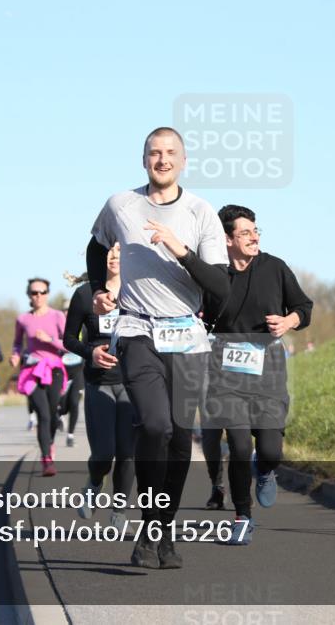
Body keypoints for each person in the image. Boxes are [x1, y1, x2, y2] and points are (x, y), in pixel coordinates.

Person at [87, 126, 230, 569]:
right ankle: (152, 526)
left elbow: (221, 285)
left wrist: (180, 249)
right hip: (137, 329)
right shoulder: (120, 205)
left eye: (170, 153)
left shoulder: (201, 212)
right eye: (154, 152)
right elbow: (95, 248)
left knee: (180, 437)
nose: (162, 159)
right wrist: (101, 290)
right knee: (154, 425)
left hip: (186, 334)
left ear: (183, 161)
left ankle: (161, 529)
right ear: (144, 159)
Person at [199, 205, 312, 545]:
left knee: (270, 449)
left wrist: (288, 321)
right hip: (226, 371)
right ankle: (242, 517)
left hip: (268, 369)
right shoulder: (214, 274)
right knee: (237, 445)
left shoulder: (274, 267)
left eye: (256, 231)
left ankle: (264, 470)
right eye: (245, 232)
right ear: (227, 239)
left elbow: (303, 307)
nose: (254, 237)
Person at [65, 245, 133, 528]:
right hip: (98, 382)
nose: (114, 256)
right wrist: (90, 352)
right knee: (104, 454)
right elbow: (69, 339)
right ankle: (94, 483)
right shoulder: (84, 295)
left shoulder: (138, 292)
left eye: (119, 250)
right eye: (108, 251)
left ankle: (119, 513)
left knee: (127, 453)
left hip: (132, 382)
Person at [11, 277, 69, 475]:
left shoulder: (57, 316)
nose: (38, 296)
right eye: (34, 292)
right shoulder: (22, 319)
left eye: (42, 292)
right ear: (28, 295)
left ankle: (49, 443)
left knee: (52, 414)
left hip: (54, 369)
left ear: (47, 294)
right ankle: (46, 459)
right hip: (32, 371)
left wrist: (50, 339)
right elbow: (17, 343)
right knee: (42, 414)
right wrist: (15, 356)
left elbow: (69, 344)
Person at [59, 298, 84, 448]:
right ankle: (60, 414)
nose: (67, 313)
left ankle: (70, 435)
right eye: (65, 310)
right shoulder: (58, 326)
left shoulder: (81, 324)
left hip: (78, 369)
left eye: (70, 310)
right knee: (62, 404)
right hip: (62, 370)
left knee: (74, 402)